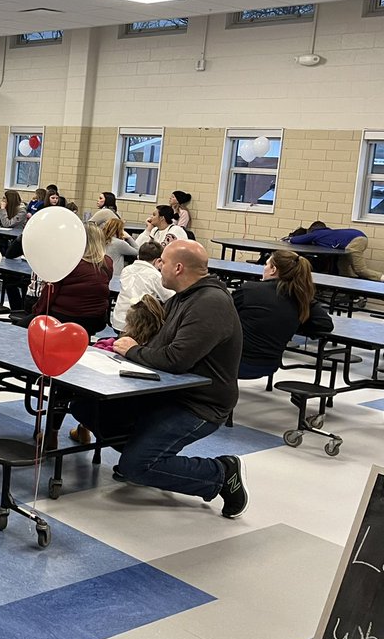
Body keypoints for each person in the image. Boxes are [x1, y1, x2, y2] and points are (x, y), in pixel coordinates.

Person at [70, 240, 248, 519]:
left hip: (200, 405)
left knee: (136, 467)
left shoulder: (210, 304)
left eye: (162, 261)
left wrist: (133, 350)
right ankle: (144, 450)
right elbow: (156, 343)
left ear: (178, 267)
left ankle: (220, 473)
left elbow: (176, 359)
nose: (159, 265)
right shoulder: (182, 297)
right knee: (85, 405)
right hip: (167, 393)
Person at [72, 295, 168, 444]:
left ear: (128, 325)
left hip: (107, 413)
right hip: (139, 417)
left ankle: (55, 434)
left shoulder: (110, 346)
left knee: (77, 401)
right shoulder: (158, 353)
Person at [234, 249, 333, 380]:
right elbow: (325, 324)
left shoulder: (250, 289)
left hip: (235, 364)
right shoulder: (300, 297)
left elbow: (222, 314)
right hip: (269, 365)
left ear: (273, 269)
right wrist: (292, 322)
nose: (264, 268)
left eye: (266, 265)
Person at [24, 222, 112, 335]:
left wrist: (36, 312)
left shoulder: (69, 262)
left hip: (65, 316)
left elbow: (50, 293)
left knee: (19, 328)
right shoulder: (108, 262)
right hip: (96, 319)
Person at [112, 240, 174, 332]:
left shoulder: (126, 270)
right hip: (138, 326)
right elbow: (170, 297)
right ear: (158, 261)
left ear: (138, 256)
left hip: (118, 322)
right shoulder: (155, 275)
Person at [287, 221, 381, 281]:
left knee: (360, 270)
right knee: (342, 266)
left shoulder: (316, 233)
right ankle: (349, 293)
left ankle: (382, 278)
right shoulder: (328, 233)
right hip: (357, 237)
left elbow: (296, 240)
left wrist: (289, 239)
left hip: (355, 241)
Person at [101, 216, 139, 282]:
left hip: (102, 273)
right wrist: (129, 237)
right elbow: (138, 251)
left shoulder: (101, 239)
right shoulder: (119, 243)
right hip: (114, 276)